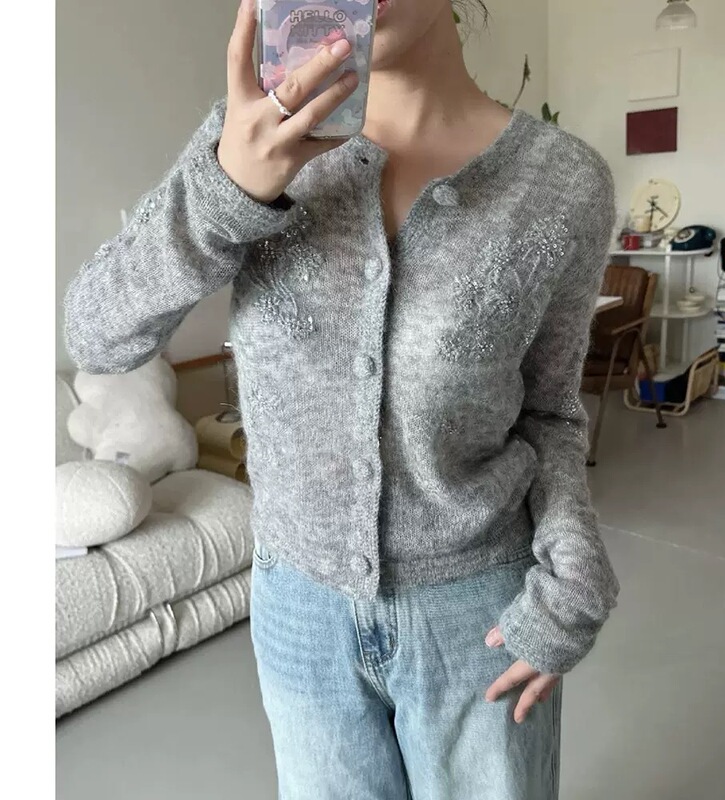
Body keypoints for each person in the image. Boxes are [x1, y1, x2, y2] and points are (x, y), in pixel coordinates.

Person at [63, 0, 621, 797]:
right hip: (299, 612)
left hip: (480, 612)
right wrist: (226, 192)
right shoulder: (247, 140)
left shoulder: (563, 183)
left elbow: (550, 410)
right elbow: (97, 334)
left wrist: (575, 571)